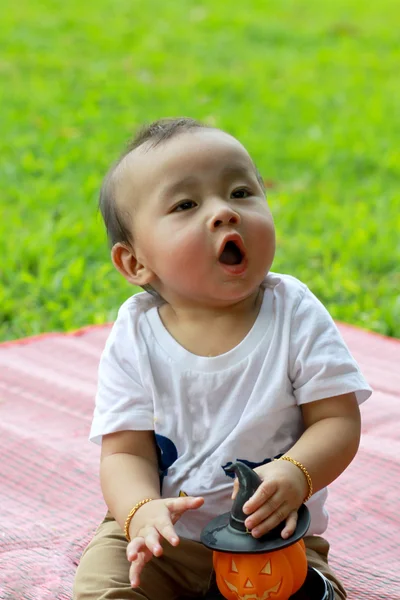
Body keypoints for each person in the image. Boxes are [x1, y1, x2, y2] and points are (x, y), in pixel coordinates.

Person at [73, 117, 372, 600]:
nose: (224, 213)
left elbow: (337, 420)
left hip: (271, 535)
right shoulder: (136, 333)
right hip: (166, 537)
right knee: (104, 580)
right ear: (135, 262)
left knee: (296, 588)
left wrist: (297, 472)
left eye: (240, 193)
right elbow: (125, 452)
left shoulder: (293, 311)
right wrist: (140, 511)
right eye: (186, 204)